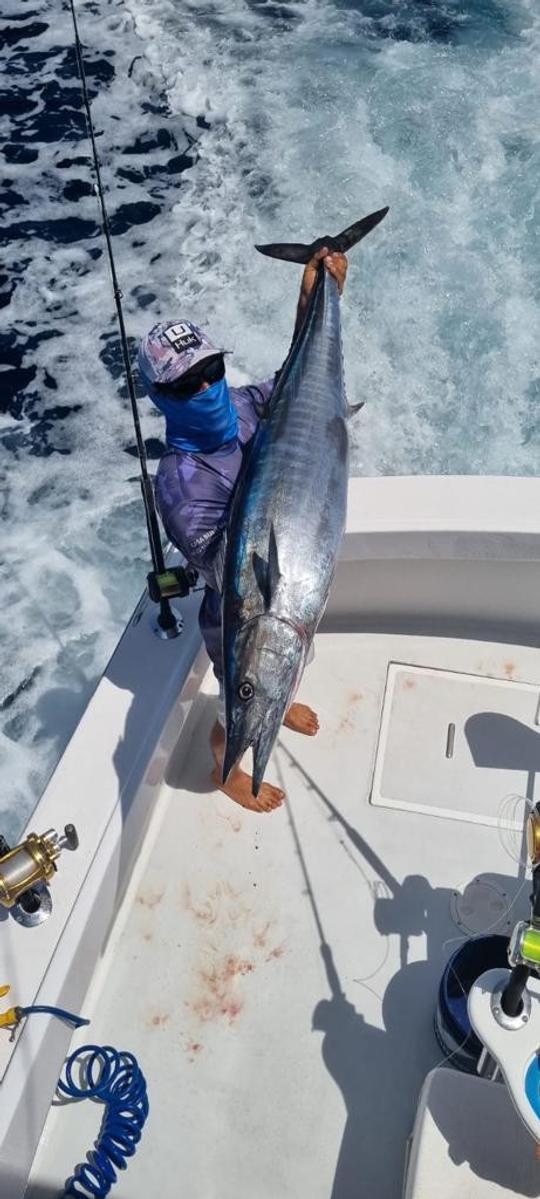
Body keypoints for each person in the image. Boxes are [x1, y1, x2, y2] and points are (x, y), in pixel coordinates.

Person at [138, 246, 348, 813]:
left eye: (211, 371)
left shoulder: (244, 404)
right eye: (187, 384)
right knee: (243, 691)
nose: (207, 388)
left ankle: (276, 699)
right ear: (159, 397)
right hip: (239, 614)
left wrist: (316, 301)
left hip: (290, 600)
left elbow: (297, 382)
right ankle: (223, 762)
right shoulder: (182, 486)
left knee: (284, 661)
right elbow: (229, 568)